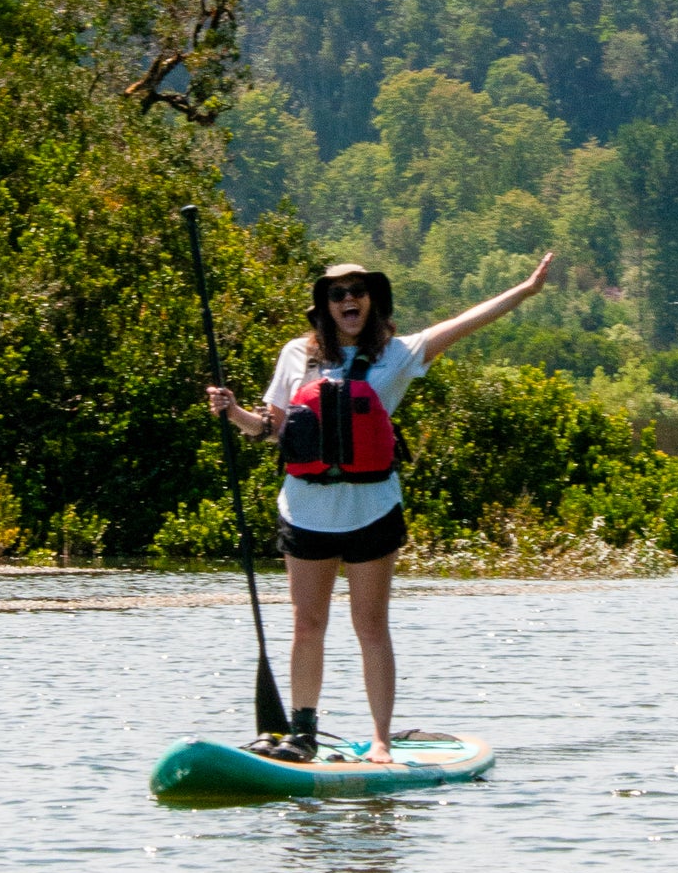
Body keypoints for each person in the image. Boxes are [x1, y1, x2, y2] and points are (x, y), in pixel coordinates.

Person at [208, 253, 552, 763]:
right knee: (308, 624)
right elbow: (271, 429)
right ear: (323, 306)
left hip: (372, 511)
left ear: (373, 301)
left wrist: (523, 290)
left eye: (358, 291)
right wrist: (232, 411)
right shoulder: (295, 356)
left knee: (370, 625)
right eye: (338, 293)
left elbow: (463, 323)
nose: (349, 300)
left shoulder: (398, 354)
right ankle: (302, 731)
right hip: (306, 512)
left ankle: (381, 740)